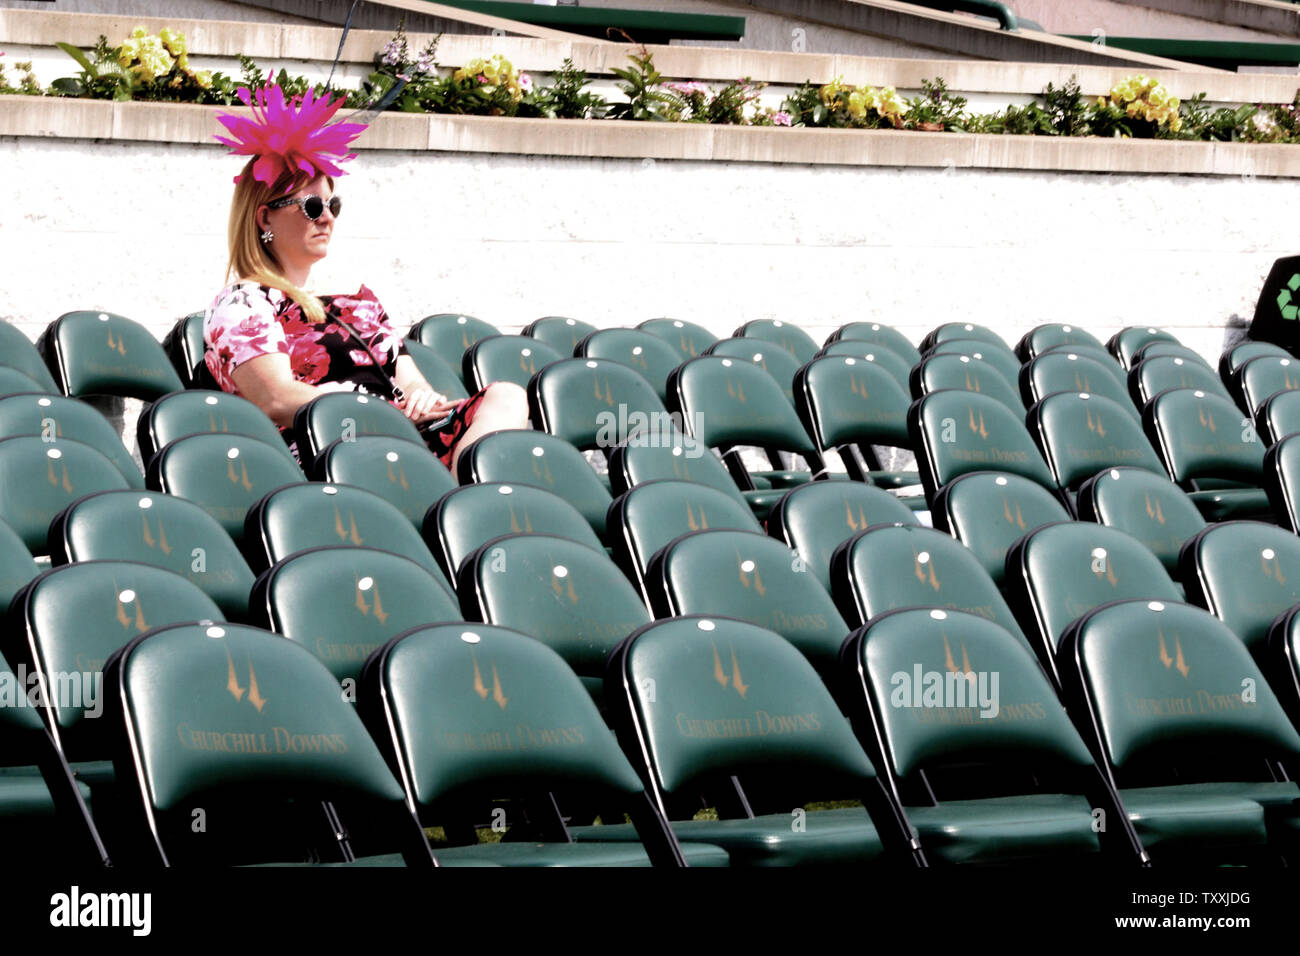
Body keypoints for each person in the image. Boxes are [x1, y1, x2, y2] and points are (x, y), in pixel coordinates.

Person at [204, 83, 527, 474]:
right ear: (264, 217)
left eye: (332, 204)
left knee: (507, 396)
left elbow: (410, 383)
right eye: (310, 206)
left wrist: (421, 398)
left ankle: (468, 493)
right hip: (334, 446)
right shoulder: (243, 303)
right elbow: (275, 398)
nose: (327, 217)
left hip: (403, 436)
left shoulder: (358, 298)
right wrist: (374, 415)